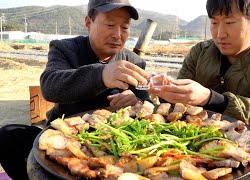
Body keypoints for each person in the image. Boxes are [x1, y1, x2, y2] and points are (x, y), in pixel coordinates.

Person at [0, 0, 150, 179]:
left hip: (116, 143)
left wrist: (137, 102)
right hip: (63, 138)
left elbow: (146, 102)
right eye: (110, 25)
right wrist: (101, 75)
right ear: (88, 23)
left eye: (125, 28)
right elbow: (50, 86)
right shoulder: (65, 49)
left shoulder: (134, 61)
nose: (118, 35)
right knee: (7, 136)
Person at [150, 0, 250, 138]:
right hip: (197, 139)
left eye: (229, 22)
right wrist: (164, 90)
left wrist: (210, 99)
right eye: (214, 23)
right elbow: (178, 106)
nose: (220, 34)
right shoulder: (200, 52)